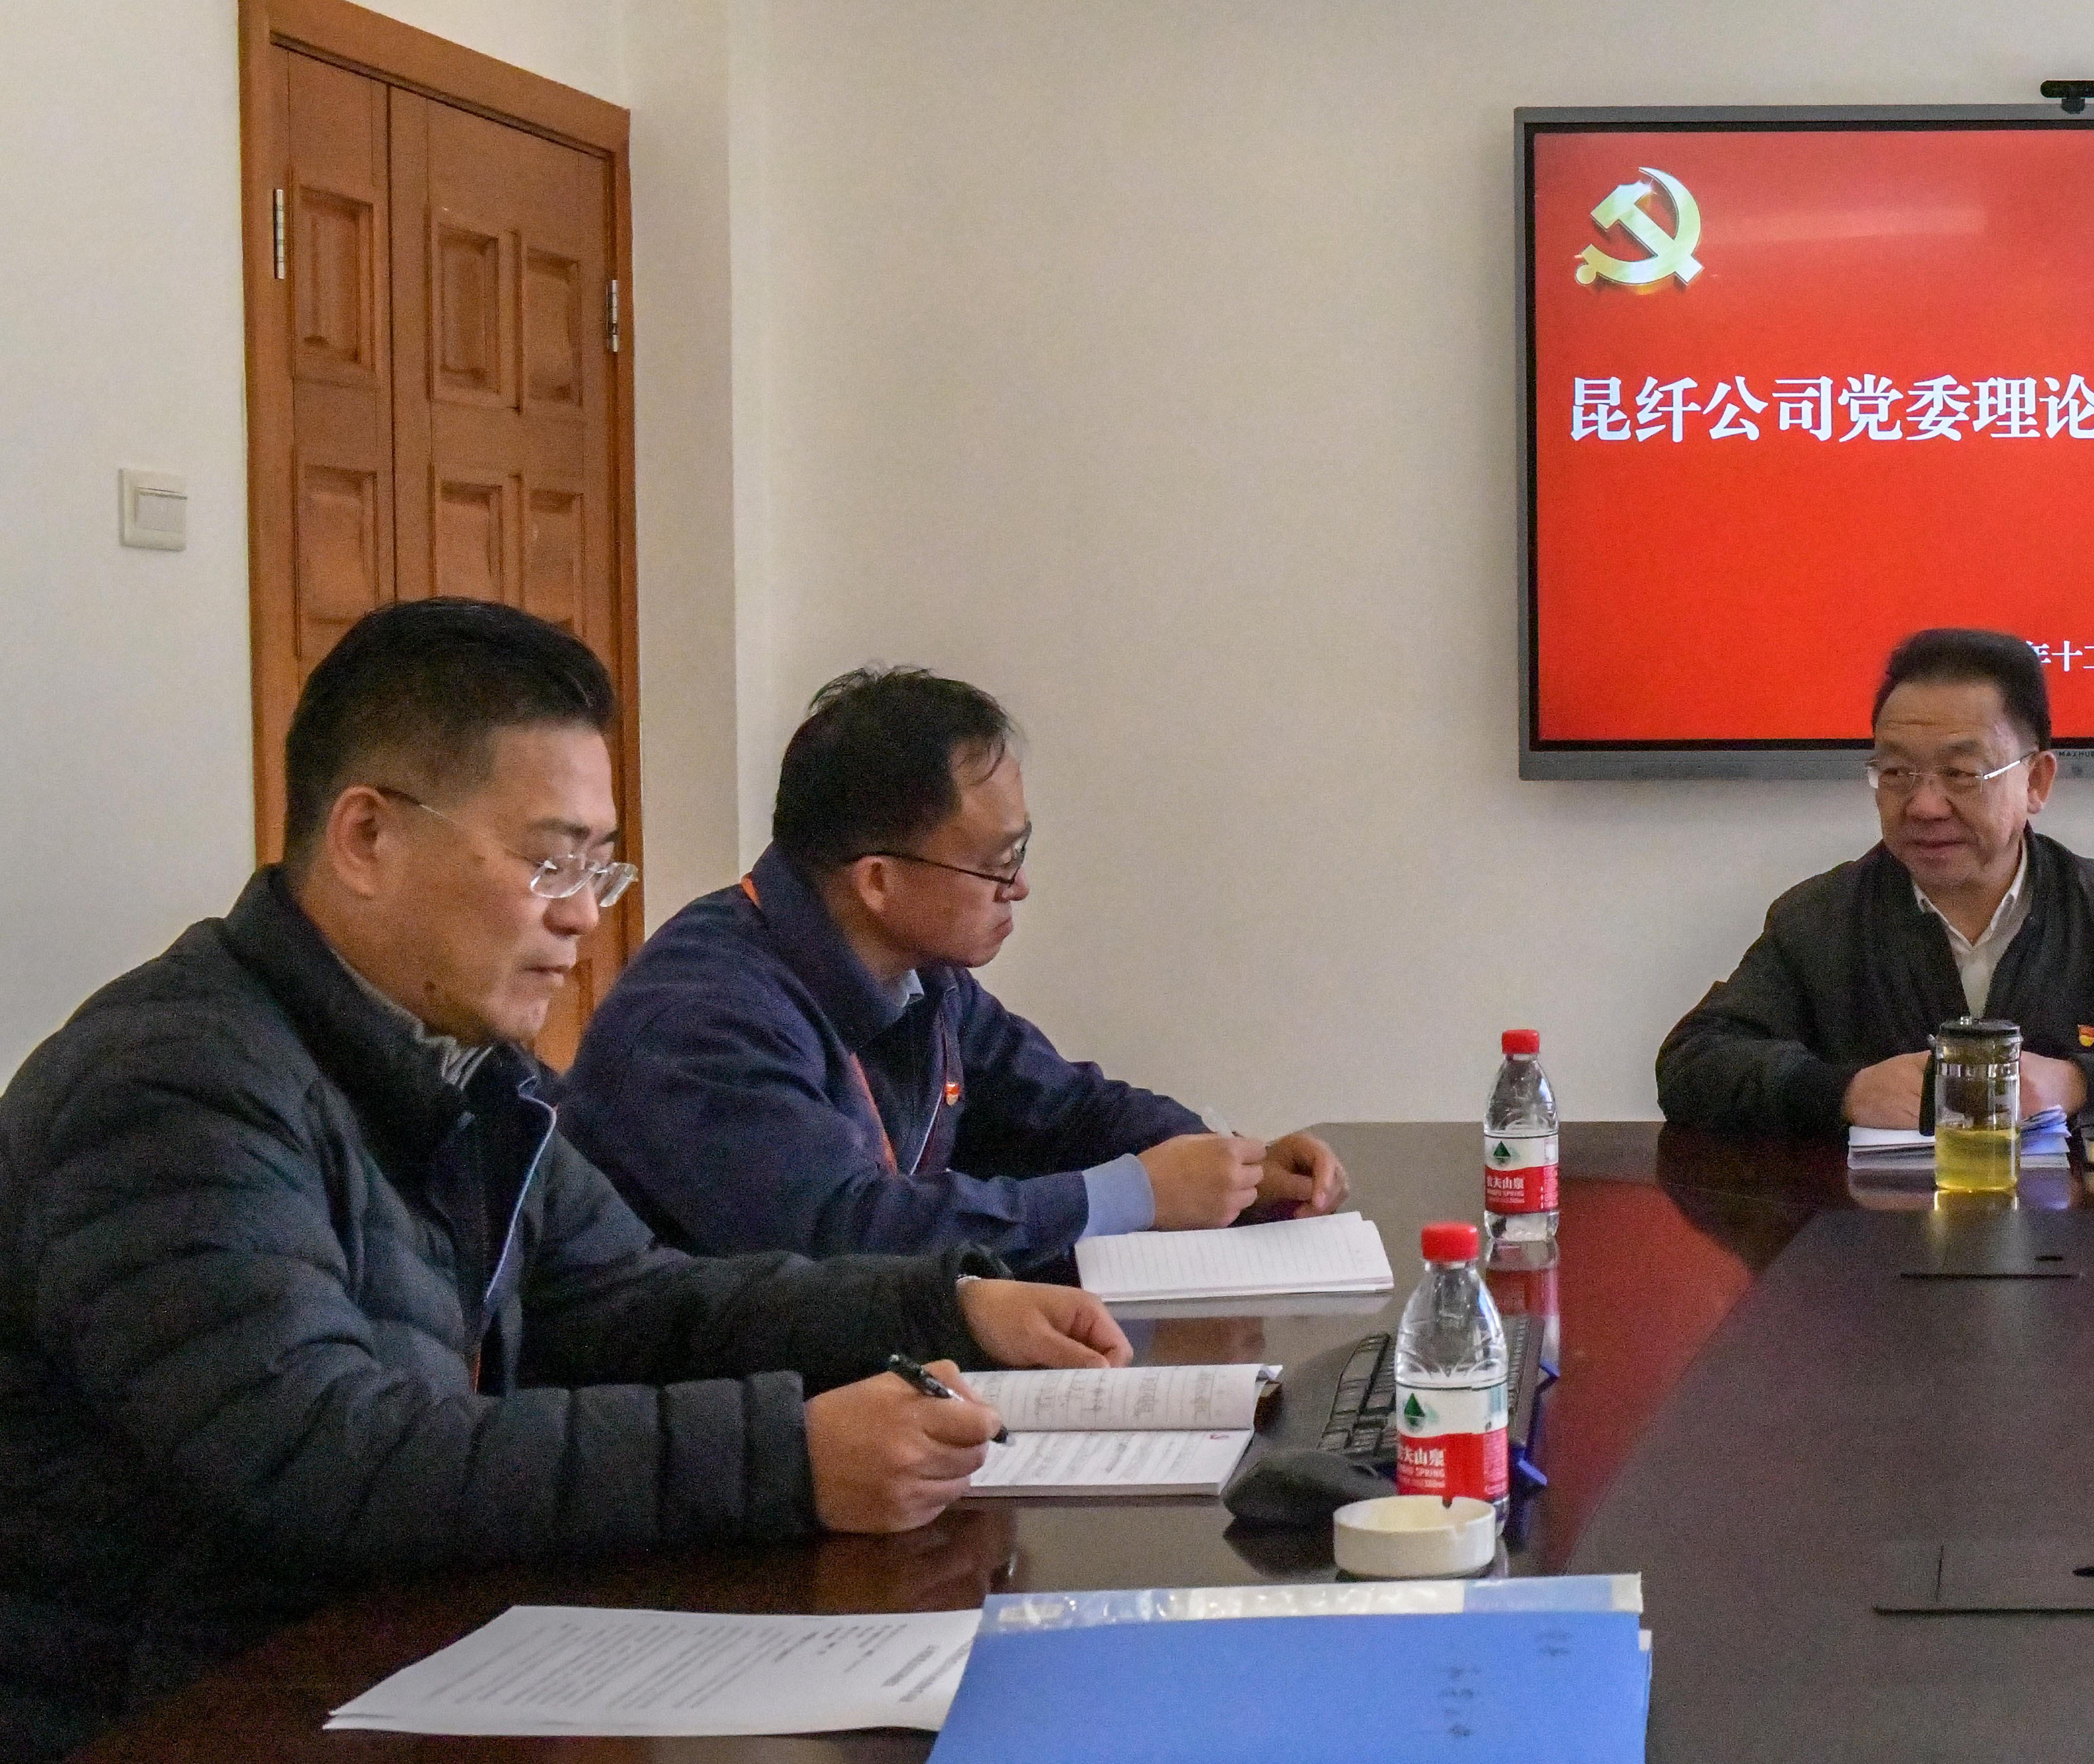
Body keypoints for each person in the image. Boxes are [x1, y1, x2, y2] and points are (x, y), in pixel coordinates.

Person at [0, 601, 1129, 1762]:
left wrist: (945, 1306)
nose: (585, 915)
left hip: (389, 1667)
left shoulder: (472, 1074)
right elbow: (330, 1454)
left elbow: (638, 1303)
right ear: (366, 837)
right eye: (550, 861)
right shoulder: (171, 1087)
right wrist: (787, 1456)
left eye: (598, 865)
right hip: (175, 1713)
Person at [563, 669, 1344, 1278]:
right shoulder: (701, 1020)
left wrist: (1231, 1164)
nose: (1020, 887)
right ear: (879, 881)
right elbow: (846, 1238)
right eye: (997, 863)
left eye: (1019, 852)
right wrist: (1135, 1194)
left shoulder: (921, 975)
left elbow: (1063, 1109)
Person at [1657, 627, 2094, 1135]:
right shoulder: (1821, 919)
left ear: (2036, 782)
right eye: (1896, 772)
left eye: (1961, 773)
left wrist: (2079, 1082)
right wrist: (1843, 1092)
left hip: (2070, 1233)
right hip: (1872, 1232)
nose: (1924, 805)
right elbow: (1693, 1063)